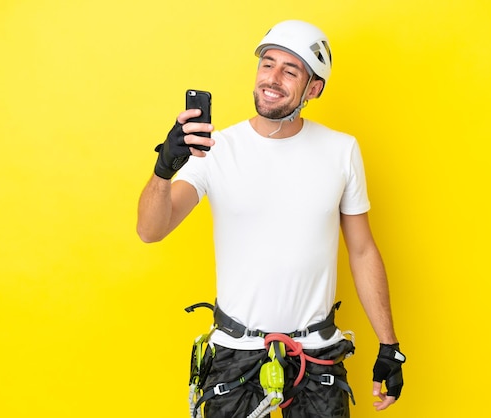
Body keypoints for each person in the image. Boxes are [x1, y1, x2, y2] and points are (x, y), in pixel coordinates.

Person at [137, 20, 405, 418]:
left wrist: (389, 345)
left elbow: (363, 251)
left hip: (317, 357)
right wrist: (164, 169)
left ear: (313, 88)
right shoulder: (216, 149)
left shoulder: (341, 150)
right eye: (267, 64)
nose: (273, 78)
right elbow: (151, 230)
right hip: (235, 353)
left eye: (290, 70)